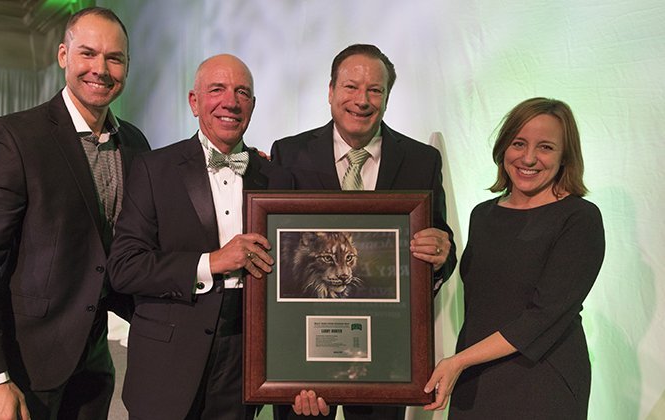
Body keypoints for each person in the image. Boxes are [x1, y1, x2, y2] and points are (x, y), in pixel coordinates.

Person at [0, 7, 150, 419]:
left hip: (93, 366)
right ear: (63, 56)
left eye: (115, 58)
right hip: (25, 365)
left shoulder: (135, 143)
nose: (101, 69)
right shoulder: (12, 138)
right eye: (88, 54)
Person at [271, 44, 457, 420]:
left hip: (385, 352)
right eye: (351, 87)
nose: (362, 100)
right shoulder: (288, 155)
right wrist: (285, 363)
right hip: (306, 352)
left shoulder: (421, 161)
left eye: (375, 90)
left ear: (388, 97)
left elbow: (442, 247)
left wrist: (441, 253)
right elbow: (280, 263)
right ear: (330, 91)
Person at [106, 54, 294, 420]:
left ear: (252, 105)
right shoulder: (153, 168)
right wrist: (211, 262)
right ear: (194, 102)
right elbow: (124, 267)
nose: (231, 101)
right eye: (217, 89)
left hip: (243, 360)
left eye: (242, 92)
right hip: (166, 361)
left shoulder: (277, 179)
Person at [422, 97, 605, 419]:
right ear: (504, 147)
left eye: (546, 147)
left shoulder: (580, 217)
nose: (529, 158)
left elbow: (544, 315)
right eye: (519, 143)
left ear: (565, 157)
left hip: (541, 382)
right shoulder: (484, 214)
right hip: (475, 379)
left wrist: (458, 361)